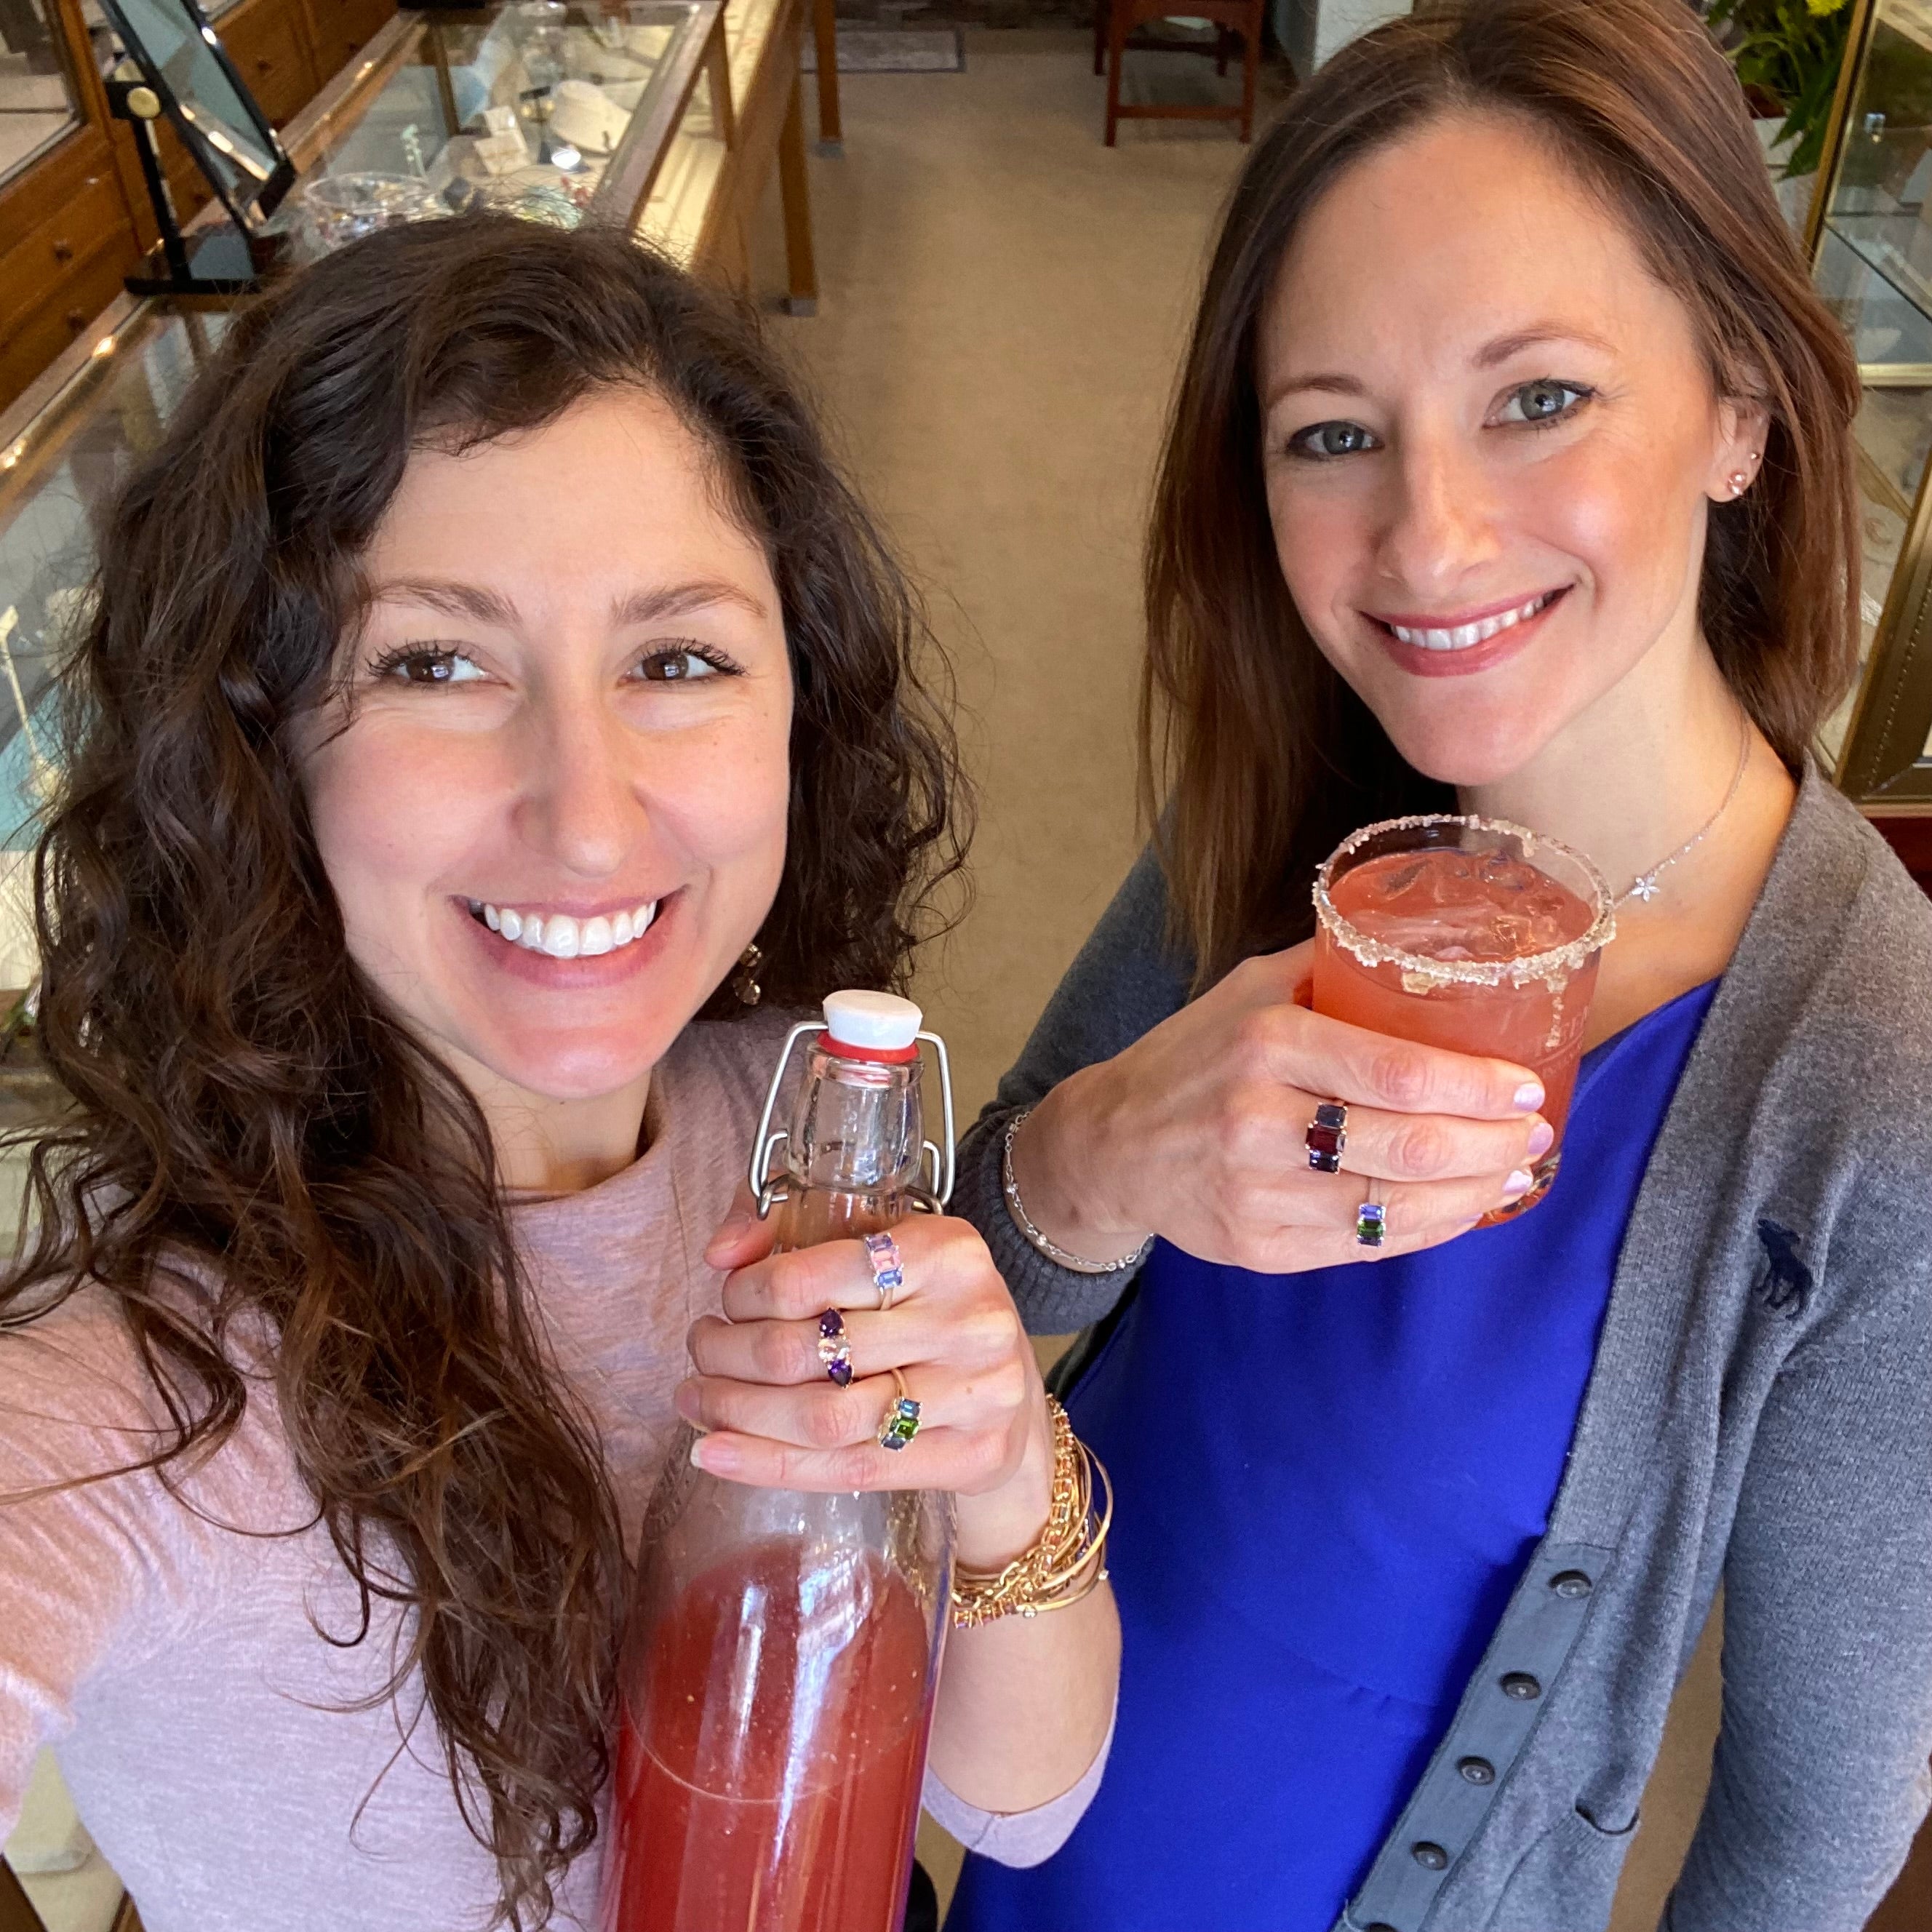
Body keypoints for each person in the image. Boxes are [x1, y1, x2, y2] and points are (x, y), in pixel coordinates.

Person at [0, 215, 1118, 1932]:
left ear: (798, 710)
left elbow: (1014, 1803)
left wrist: (996, 1467)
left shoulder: (795, 1127)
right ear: (253, 738)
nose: (587, 816)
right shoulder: (125, 1392)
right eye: (435, 660)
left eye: (676, 658)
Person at [943, 2, 1932, 1928]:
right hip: (1015, 1832)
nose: (1431, 534)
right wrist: (1099, 1155)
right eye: (1335, 432)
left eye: (1538, 396)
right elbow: (957, 1316)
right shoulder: (1288, 815)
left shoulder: (1872, 1090)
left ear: (1736, 403)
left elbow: (1814, 1826)